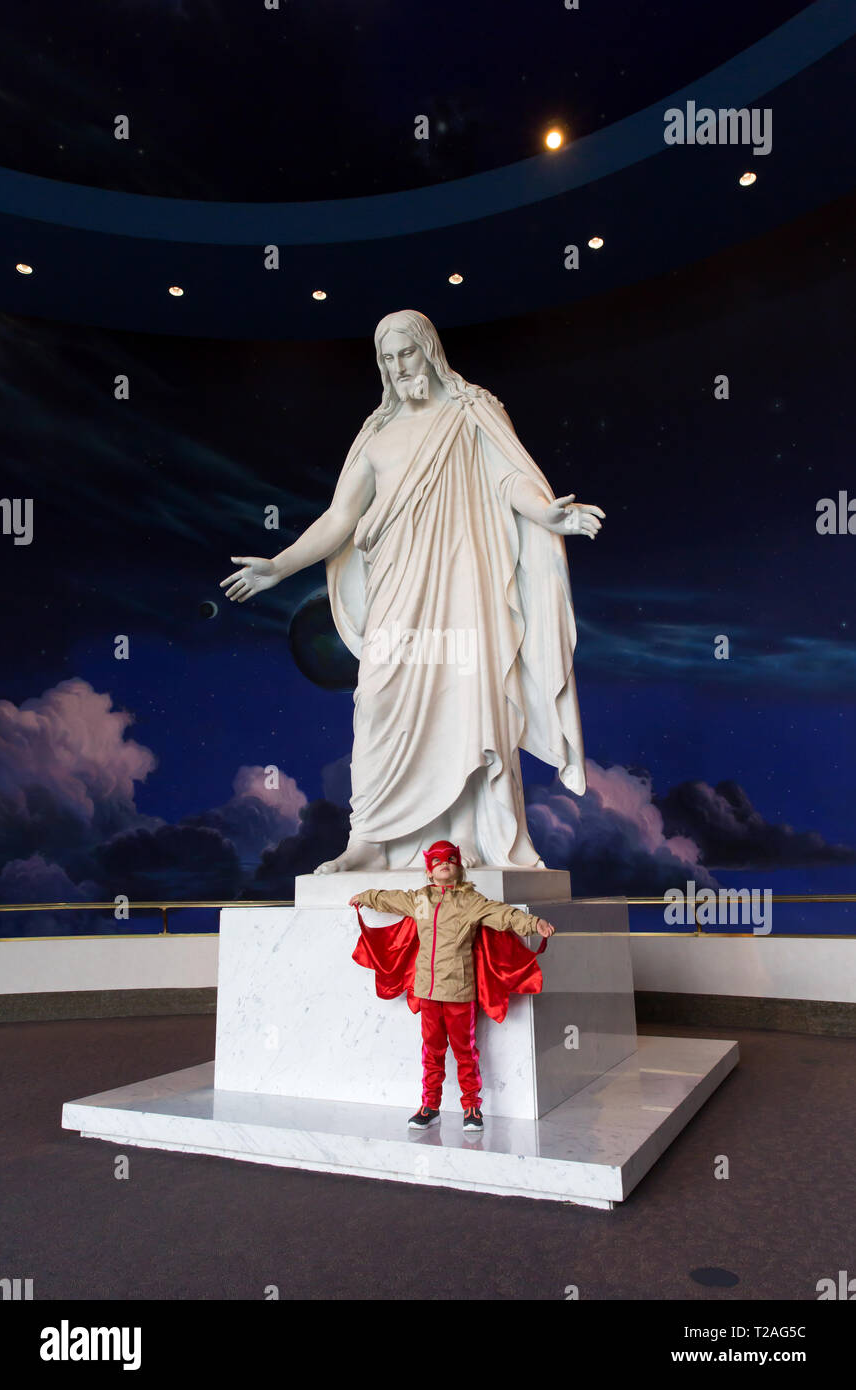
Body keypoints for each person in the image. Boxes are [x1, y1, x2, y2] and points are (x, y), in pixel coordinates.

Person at [220, 309, 604, 872]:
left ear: (430, 352)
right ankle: (370, 842)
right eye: (389, 358)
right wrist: (279, 567)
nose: (401, 367)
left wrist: (545, 513)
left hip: (464, 583)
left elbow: (508, 478)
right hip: (398, 586)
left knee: (468, 699)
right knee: (376, 702)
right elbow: (339, 519)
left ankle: (467, 837)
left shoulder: (472, 412)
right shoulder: (377, 436)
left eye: (409, 353)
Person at [349, 840, 556, 1133]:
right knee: (432, 1051)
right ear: (429, 871)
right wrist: (366, 896)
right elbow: (390, 899)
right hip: (428, 992)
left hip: (459, 991)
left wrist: (533, 923)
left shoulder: (471, 902)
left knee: (464, 1052)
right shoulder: (419, 900)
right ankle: (429, 1106)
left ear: (458, 867)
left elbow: (503, 915)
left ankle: (471, 1107)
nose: (443, 863)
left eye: (450, 859)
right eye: (437, 860)